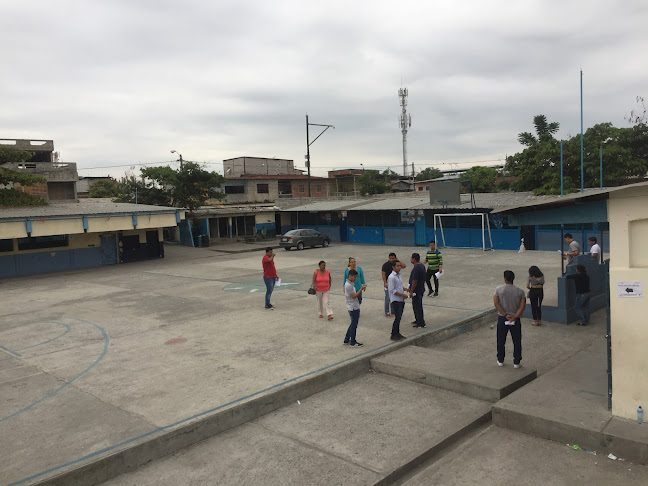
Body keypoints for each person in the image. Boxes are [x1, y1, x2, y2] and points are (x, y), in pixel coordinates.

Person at [493, 270, 526, 368]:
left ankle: (500, 360)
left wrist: (505, 314)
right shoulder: (520, 291)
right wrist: (515, 316)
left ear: (505, 279)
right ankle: (516, 361)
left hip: (503, 318)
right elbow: (522, 306)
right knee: (516, 341)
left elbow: (496, 303)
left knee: (501, 340)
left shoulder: (498, 289)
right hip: (515, 319)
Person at [344, 269, 367, 347]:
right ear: (350, 276)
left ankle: (347, 339)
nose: (355, 278)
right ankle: (353, 342)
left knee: (352, 323)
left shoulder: (350, 284)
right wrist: (361, 289)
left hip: (352, 305)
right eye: (354, 277)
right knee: (354, 324)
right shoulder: (349, 285)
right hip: (353, 307)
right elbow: (353, 296)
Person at [388, 260, 409, 340]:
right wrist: (402, 295)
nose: (399, 267)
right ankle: (393, 334)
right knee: (397, 317)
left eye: (400, 266)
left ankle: (397, 332)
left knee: (399, 317)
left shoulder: (399, 275)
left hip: (401, 299)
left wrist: (405, 289)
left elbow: (399, 286)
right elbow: (392, 290)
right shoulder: (391, 277)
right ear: (393, 267)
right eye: (397, 266)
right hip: (396, 300)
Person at [382, 253, 406, 317]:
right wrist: (385, 282)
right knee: (388, 297)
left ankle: (393, 310)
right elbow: (383, 274)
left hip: (395, 283)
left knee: (394, 298)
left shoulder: (396, 264)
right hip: (388, 283)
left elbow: (404, 266)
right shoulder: (385, 265)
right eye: (390, 258)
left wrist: (398, 260)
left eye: (393, 258)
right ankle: (387, 311)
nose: (391, 259)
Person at [409, 253, 427, 328]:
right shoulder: (421, 266)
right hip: (420, 289)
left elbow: (415, 280)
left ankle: (420, 323)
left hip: (417, 291)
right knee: (416, 306)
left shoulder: (416, 268)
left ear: (414, 259)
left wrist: (411, 290)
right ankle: (418, 319)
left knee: (417, 306)